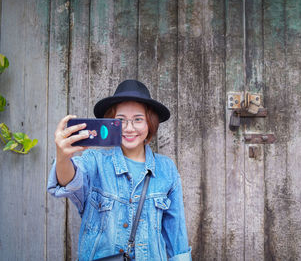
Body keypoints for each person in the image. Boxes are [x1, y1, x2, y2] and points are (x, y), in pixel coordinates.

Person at [47, 80, 192, 261]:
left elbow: (176, 233)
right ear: (110, 123)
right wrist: (62, 156)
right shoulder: (94, 160)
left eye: (138, 119)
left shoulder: (166, 168)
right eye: (120, 120)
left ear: (150, 124)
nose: (129, 128)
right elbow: (69, 180)